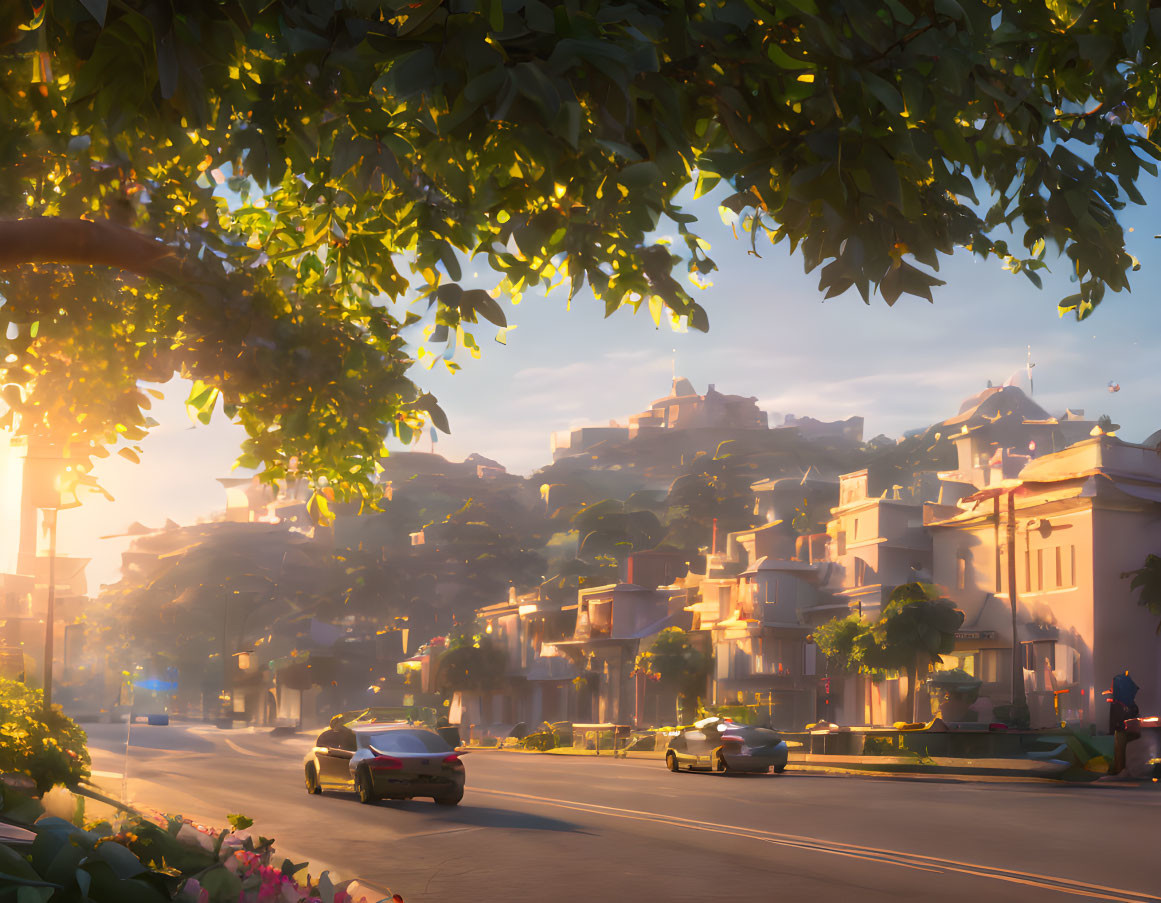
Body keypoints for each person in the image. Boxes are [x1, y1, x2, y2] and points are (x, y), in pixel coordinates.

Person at [1103, 669, 1140, 775]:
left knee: (1123, 754)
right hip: (1121, 733)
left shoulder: (1123, 705)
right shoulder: (1118, 704)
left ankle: (1121, 769)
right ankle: (1120, 769)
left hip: (1124, 733)